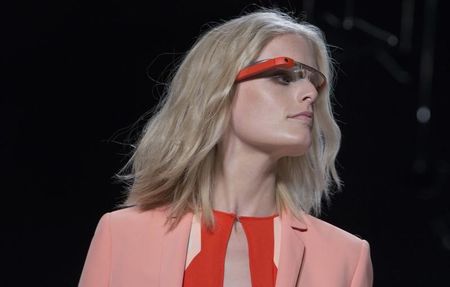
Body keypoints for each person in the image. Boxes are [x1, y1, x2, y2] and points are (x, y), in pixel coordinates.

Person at [79, 8, 373, 287]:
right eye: (282, 77)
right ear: (218, 89)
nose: (310, 93)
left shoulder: (344, 257)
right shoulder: (123, 235)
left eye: (315, 83)